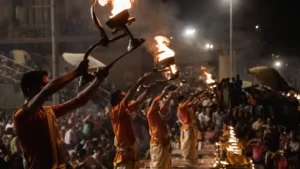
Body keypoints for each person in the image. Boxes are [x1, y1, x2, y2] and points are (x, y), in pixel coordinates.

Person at [13, 60, 109, 169]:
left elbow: (79, 101)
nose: (47, 86)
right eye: (43, 85)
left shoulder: (49, 111)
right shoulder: (21, 115)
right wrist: (76, 73)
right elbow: (47, 91)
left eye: (46, 84)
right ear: (29, 90)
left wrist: (98, 81)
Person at [110, 73, 153, 169]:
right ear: (118, 100)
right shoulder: (115, 111)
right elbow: (129, 96)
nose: (125, 96)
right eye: (122, 96)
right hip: (124, 153)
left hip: (131, 151)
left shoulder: (125, 109)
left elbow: (138, 101)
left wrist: (147, 91)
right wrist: (140, 81)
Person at [147, 86, 179, 169]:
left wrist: (170, 97)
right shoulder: (150, 113)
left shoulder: (159, 112)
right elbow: (154, 101)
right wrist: (163, 93)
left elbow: (165, 106)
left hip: (164, 142)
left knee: (166, 164)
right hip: (157, 144)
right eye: (157, 104)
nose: (159, 103)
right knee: (157, 165)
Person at [178, 93, 200, 165]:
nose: (186, 101)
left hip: (190, 127)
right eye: (184, 100)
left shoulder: (185, 107)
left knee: (192, 144)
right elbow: (188, 103)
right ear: (181, 100)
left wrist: (198, 99)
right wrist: (190, 98)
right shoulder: (180, 107)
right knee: (187, 144)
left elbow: (192, 104)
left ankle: (191, 158)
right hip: (187, 127)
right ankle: (187, 158)